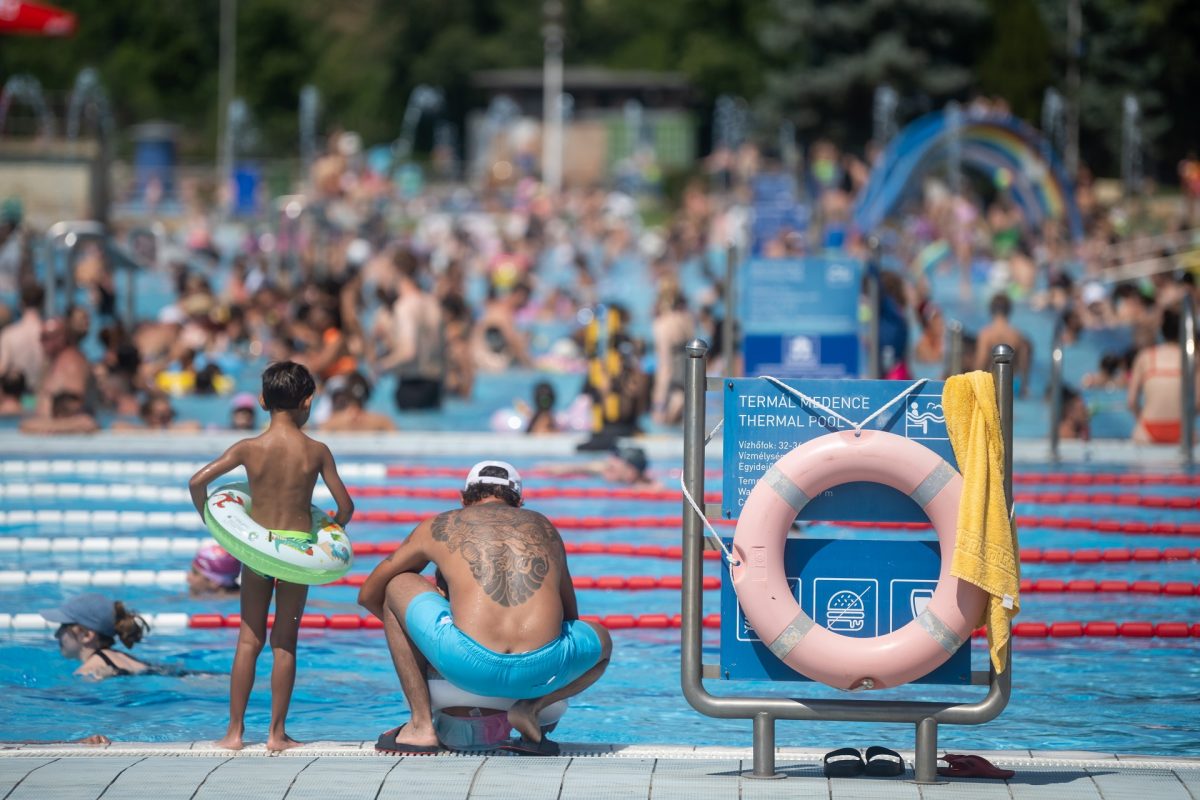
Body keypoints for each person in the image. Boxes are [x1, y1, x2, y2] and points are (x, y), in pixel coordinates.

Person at [357, 461, 611, 754]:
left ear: (464, 499)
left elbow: (369, 594)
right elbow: (570, 618)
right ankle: (530, 709)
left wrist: (419, 643)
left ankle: (420, 727)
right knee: (601, 641)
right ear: (519, 502)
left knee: (397, 584)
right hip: (542, 670)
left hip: (466, 665)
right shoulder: (544, 527)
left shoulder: (440, 525)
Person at [187, 361, 355, 751]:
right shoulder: (316, 451)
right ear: (308, 402)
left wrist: (213, 522)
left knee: (249, 639)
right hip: (297, 553)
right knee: (285, 641)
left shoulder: (249, 448)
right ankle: (277, 735)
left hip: (257, 554)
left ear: (262, 400)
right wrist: (332, 530)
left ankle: (234, 733)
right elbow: (345, 506)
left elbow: (198, 482)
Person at [379, 248, 445, 410]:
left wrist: (380, 367)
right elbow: (443, 348)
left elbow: (408, 352)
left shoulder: (404, 306)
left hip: (412, 387)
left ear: (396, 271)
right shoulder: (432, 303)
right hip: (436, 386)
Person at [1127, 308, 1200, 444]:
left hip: (1148, 428)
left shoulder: (1145, 357)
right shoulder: (1192, 360)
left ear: (1162, 331)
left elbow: (1131, 402)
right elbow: (1197, 402)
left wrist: (1141, 420)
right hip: (1181, 428)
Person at [40, 593, 150, 679]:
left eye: (63, 627)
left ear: (86, 635)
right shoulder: (127, 659)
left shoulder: (89, 671)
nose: (56, 635)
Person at [974, 293, 1032, 396]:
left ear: (991, 310)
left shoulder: (986, 334)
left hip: (992, 384)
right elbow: (1024, 365)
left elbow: (980, 363)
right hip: (1013, 385)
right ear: (1009, 311)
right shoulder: (1017, 335)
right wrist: (1024, 385)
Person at [0, 281, 44, 391]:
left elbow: (3, 369)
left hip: (17, 397)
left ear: (21, 303)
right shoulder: (50, 334)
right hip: (41, 395)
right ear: (42, 303)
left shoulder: (10, 334)